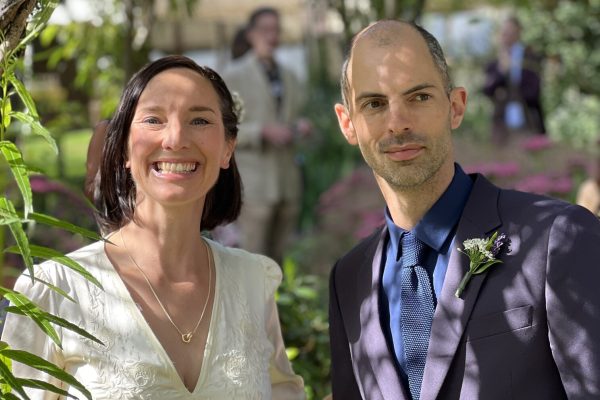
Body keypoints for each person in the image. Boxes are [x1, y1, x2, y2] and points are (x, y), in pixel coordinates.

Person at [2, 55, 305, 399]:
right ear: (125, 150)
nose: (175, 139)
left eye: (200, 121)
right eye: (153, 119)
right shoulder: (53, 291)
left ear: (227, 149)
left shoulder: (254, 282)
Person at [328, 20, 600, 400]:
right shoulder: (348, 279)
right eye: (374, 104)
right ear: (348, 123)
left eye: (419, 97)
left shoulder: (558, 237)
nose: (397, 123)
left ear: (455, 106)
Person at [222, 7, 311, 264]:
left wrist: (301, 126)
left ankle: (278, 307)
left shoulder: (291, 77)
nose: (272, 36)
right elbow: (222, 127)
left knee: (279, 263)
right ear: (251, 34)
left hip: (288, 184)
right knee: (252, 262)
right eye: (265, 30)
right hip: (255, 187)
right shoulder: (233, 75)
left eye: (276, 30)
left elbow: (293, 120)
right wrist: (260, 131)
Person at [482, 15, 546, 145]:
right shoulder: (495, 62)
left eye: (511, 32)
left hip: (528, 121)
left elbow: (533, 92)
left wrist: (513, 72)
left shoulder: (530, 58)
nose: (507, 36)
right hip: (502, 125)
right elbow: (487, 90)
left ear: (518, 33)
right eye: (505, 32)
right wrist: (501, 71)